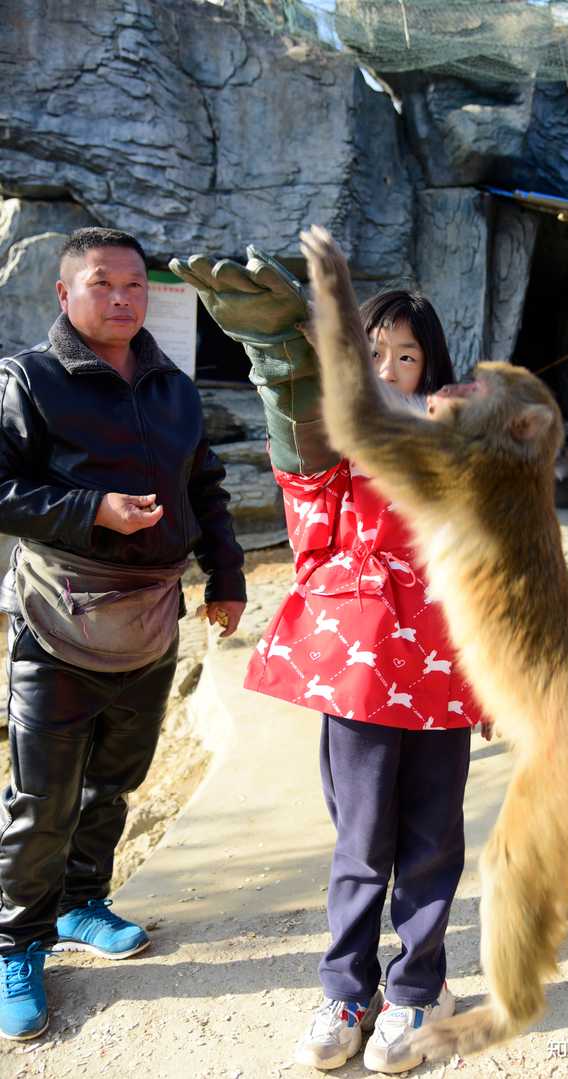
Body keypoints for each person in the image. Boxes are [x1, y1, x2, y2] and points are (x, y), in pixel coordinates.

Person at [171, 247, 490, 1076]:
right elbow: (300, 462)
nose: (389, 368)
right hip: (361, 671)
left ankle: (418, 985)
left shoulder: (460, 436)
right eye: (373, 351)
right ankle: (346, 990)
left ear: (432, 365)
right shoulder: (336, 439)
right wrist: (281, 365)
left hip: (446, 674)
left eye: (407, 355)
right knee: (360, 840)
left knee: (432, 839)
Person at [0, 227, 246, 1040]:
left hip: (149, 617)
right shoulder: (28, 380)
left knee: (117, 776)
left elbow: (205, 486)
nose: (122, 298)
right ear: (63, 295)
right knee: (42, 794)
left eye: (135, 285)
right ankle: (16, 942)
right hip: (56, 616)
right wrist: (92, 510)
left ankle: (80, 902)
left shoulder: (171, 385)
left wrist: (227, 575)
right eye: (103, 283)